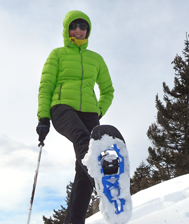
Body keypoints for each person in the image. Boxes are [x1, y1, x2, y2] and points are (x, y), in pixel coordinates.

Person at [36, 10, 114, 224]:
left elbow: (108, 90)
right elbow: (46, 87)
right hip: (62, 108)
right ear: (67, 29)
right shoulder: (58, 54)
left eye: (83, 27)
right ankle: (100, 178)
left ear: (88, 30)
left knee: (82, 175)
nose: (79, 30)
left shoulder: (96, 59)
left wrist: (99, 110)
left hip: (90, 113)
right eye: (74, 26)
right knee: (83, 140)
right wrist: (44, 118)